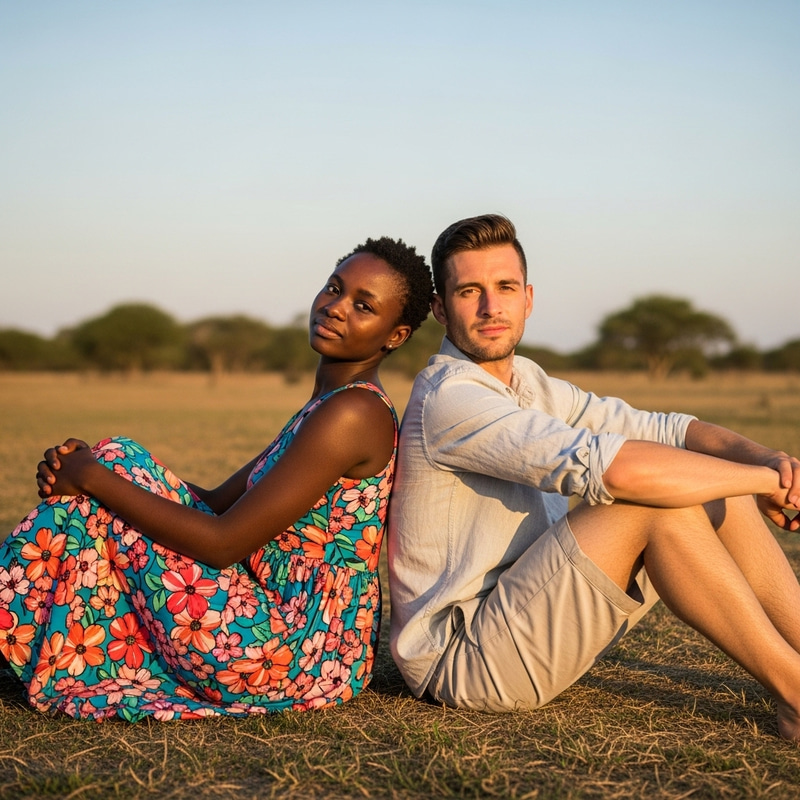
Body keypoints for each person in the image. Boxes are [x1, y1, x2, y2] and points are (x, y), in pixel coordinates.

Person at [387, 213, 800, 741]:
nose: (492, 307)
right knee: (646, 500)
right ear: (442, 310)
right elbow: (614, 469)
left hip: (526, 611)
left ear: (528, 299)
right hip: (463, 658)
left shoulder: (528, 381)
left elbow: (667, 429)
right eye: (471, 292)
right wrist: (761, 482)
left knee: (720, 491)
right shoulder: (450, 396)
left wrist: (767, 460)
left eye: (505, 288)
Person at [0, 236, 433, 721]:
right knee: (117, 457)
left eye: (363, 305)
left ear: (395, 335)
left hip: (291, 650)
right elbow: (214, 503)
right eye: (334, 288)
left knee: (104, 480)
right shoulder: (326, 406)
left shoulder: (352, 412)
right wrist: (90, 470)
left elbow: (222, 542)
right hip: (273, 618)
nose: (335, 307)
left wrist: (94, 481)